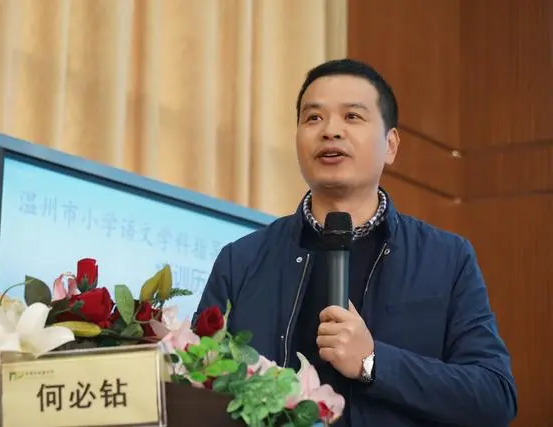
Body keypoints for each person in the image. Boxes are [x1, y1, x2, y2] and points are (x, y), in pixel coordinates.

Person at [193, 59, 517, 427]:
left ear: (390, 145)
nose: (330, 131)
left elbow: (495, 396)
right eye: (313, 118)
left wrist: (373, 362)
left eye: (352, 116)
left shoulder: (447, 259)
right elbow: (195, 384)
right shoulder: (241, 260)